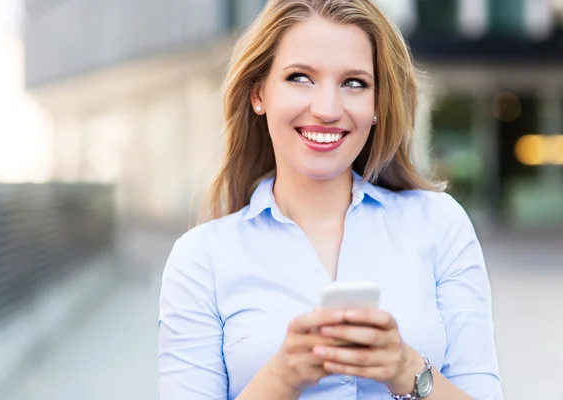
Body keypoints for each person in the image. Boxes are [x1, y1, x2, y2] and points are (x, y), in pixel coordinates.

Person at [158, 0, 504, 399]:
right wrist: (283, 377)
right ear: (259, 94)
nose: (327, 109)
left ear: (377, 104)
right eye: (300, 77)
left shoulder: (439, 225)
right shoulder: (201, 259)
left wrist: (407, 369)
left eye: (354, 83)